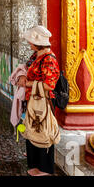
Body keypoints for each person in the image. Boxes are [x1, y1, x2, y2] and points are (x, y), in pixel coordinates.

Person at [18, 25, 60, 176]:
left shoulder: (48, 59)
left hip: (43, 101)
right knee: (32, 129)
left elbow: (50, 85)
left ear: (38, 43)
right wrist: (23, 77)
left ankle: (45, 168)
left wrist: (27, 83)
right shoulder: (36, 55)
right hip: (33, 99)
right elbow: (26, 68)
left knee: (43, 131)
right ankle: (34, 163)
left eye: (31, 41)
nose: (29, 44)